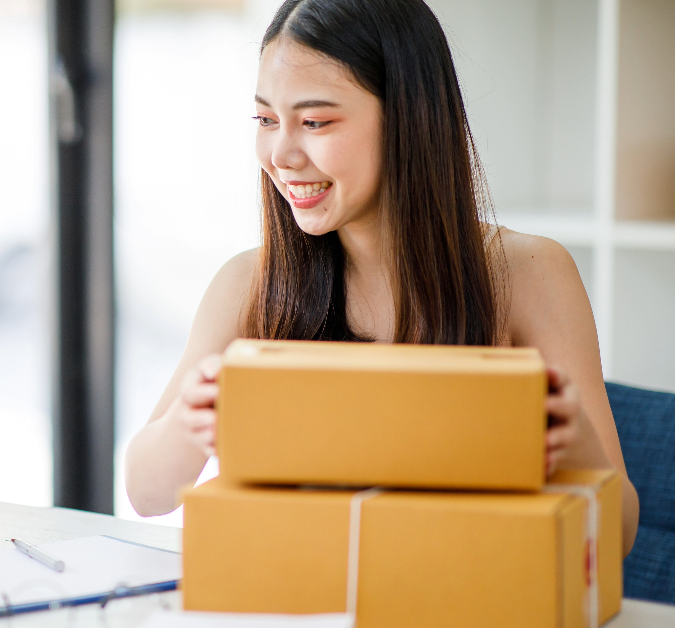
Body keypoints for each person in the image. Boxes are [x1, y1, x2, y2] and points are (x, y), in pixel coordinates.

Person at [123, 0, 639, 554]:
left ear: (408, 118)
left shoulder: (528, 273)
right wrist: (188, 420)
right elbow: (146, 493)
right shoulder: (249, 283)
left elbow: (619, 534)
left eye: (315, 122)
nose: (281, 154)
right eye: (267, 120)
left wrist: (573, 439)